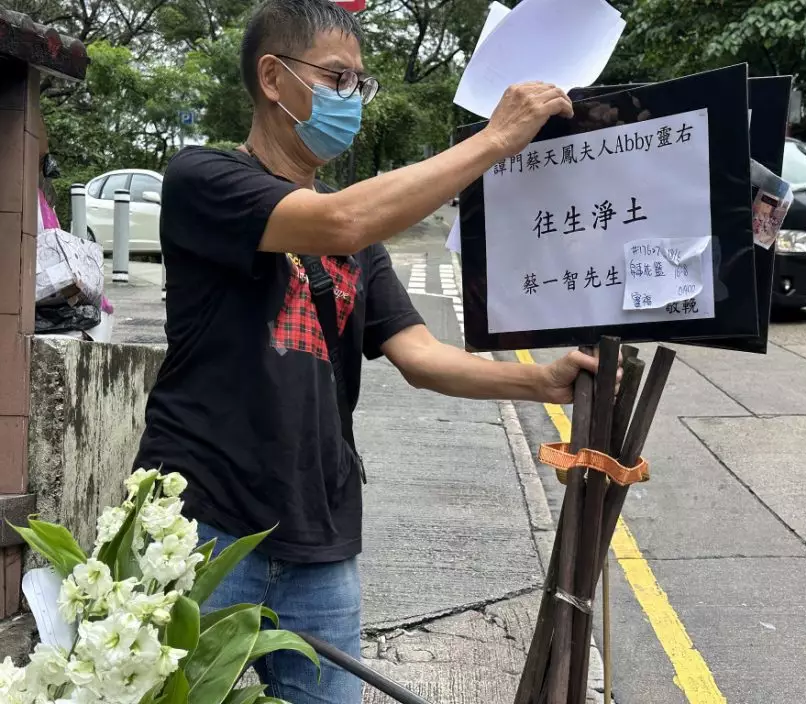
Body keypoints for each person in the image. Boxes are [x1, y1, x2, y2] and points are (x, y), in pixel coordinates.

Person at [133, 1, 619, 702]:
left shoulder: (358, 242)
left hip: (318, 534)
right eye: (337, 78)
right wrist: (494, 140)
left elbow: (419, 356)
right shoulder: (204, 179)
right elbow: (340, 221)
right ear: (272, 77)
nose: (352, 98)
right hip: (201, 525)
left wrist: (541, 381)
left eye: (360, 83)